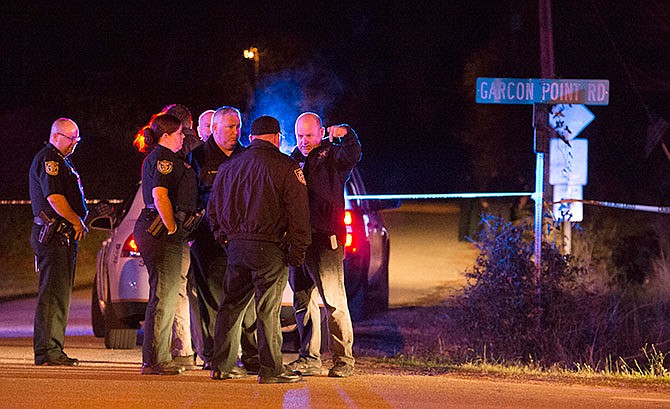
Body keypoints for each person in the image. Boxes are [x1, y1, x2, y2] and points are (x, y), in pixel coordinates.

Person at [207, 115, 311, 384]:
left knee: (230, 306)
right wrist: (297, 250)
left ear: (251, 137)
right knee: (268, 309)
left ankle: (222, 366)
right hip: (270, 247)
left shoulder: (229, 166)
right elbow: (299, 214)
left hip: (237, 247)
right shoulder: (287, 167)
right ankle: (271, 368)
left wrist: (225, 237)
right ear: (277, 138)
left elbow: (213, 210)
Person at [287, 112, 361, 378]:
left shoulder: (333, 157)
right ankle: (309, 357)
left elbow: (353, 153)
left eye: (309, 135)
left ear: (320, 133)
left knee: (334, 302)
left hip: (325, 240)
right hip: (298, 242)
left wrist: (346, 133)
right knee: (301, 301)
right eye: (300, 136)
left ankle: (344, 359)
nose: (304, 141)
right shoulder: (292, 160)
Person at [188, 106, 258, 371]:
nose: (235, 131)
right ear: (214, 128)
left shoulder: (247, 155)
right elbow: (190, 196)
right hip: (209, 240)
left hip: (242, 238)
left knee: (247, 299)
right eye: (229, 127)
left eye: (237, 126)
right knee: (212, 299)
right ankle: (215, 355)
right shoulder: (197, 157)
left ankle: (251, 355)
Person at [133, 113, 198, 375]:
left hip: (168, 235)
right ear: (167, 135)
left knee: (167, 294)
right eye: (180, 133)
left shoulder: (170, 158)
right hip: (163, 234)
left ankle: (157, 356)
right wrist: (172, 227)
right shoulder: (163, 159)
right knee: (164, 295)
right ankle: (155, 359)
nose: (183, 137)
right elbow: (160, 195)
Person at [29, 118, 88, 366]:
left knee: (60, 294)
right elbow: (54, 198)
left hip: (61, 237)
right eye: (71, 139)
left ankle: (53, 348)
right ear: (56, 136)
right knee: (53, 295)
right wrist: (76, 221)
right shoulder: (50, 160)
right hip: (54, 235)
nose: (75, 144)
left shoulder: (63, 160)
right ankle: (48, 351)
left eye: (77, 139)